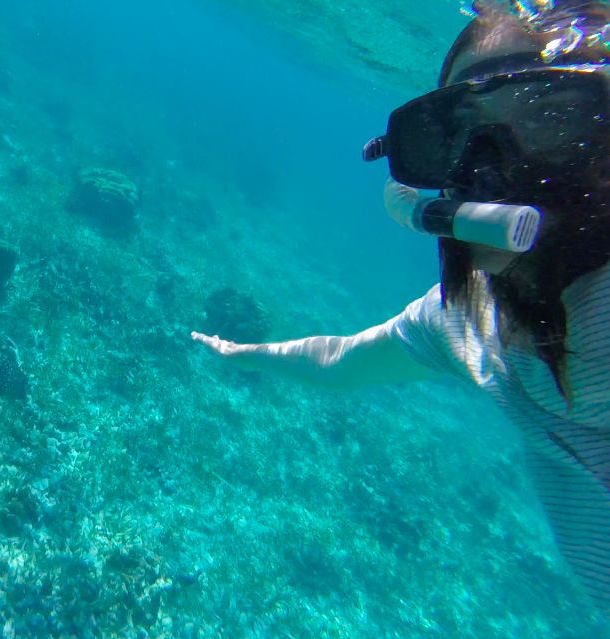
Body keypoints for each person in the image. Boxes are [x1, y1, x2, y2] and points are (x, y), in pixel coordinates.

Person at [192, 0, 610, 611]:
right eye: (452, 135)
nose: (488, 171)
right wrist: (244, 354)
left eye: (544, 122)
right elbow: (340, 360)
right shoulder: (470, 323)